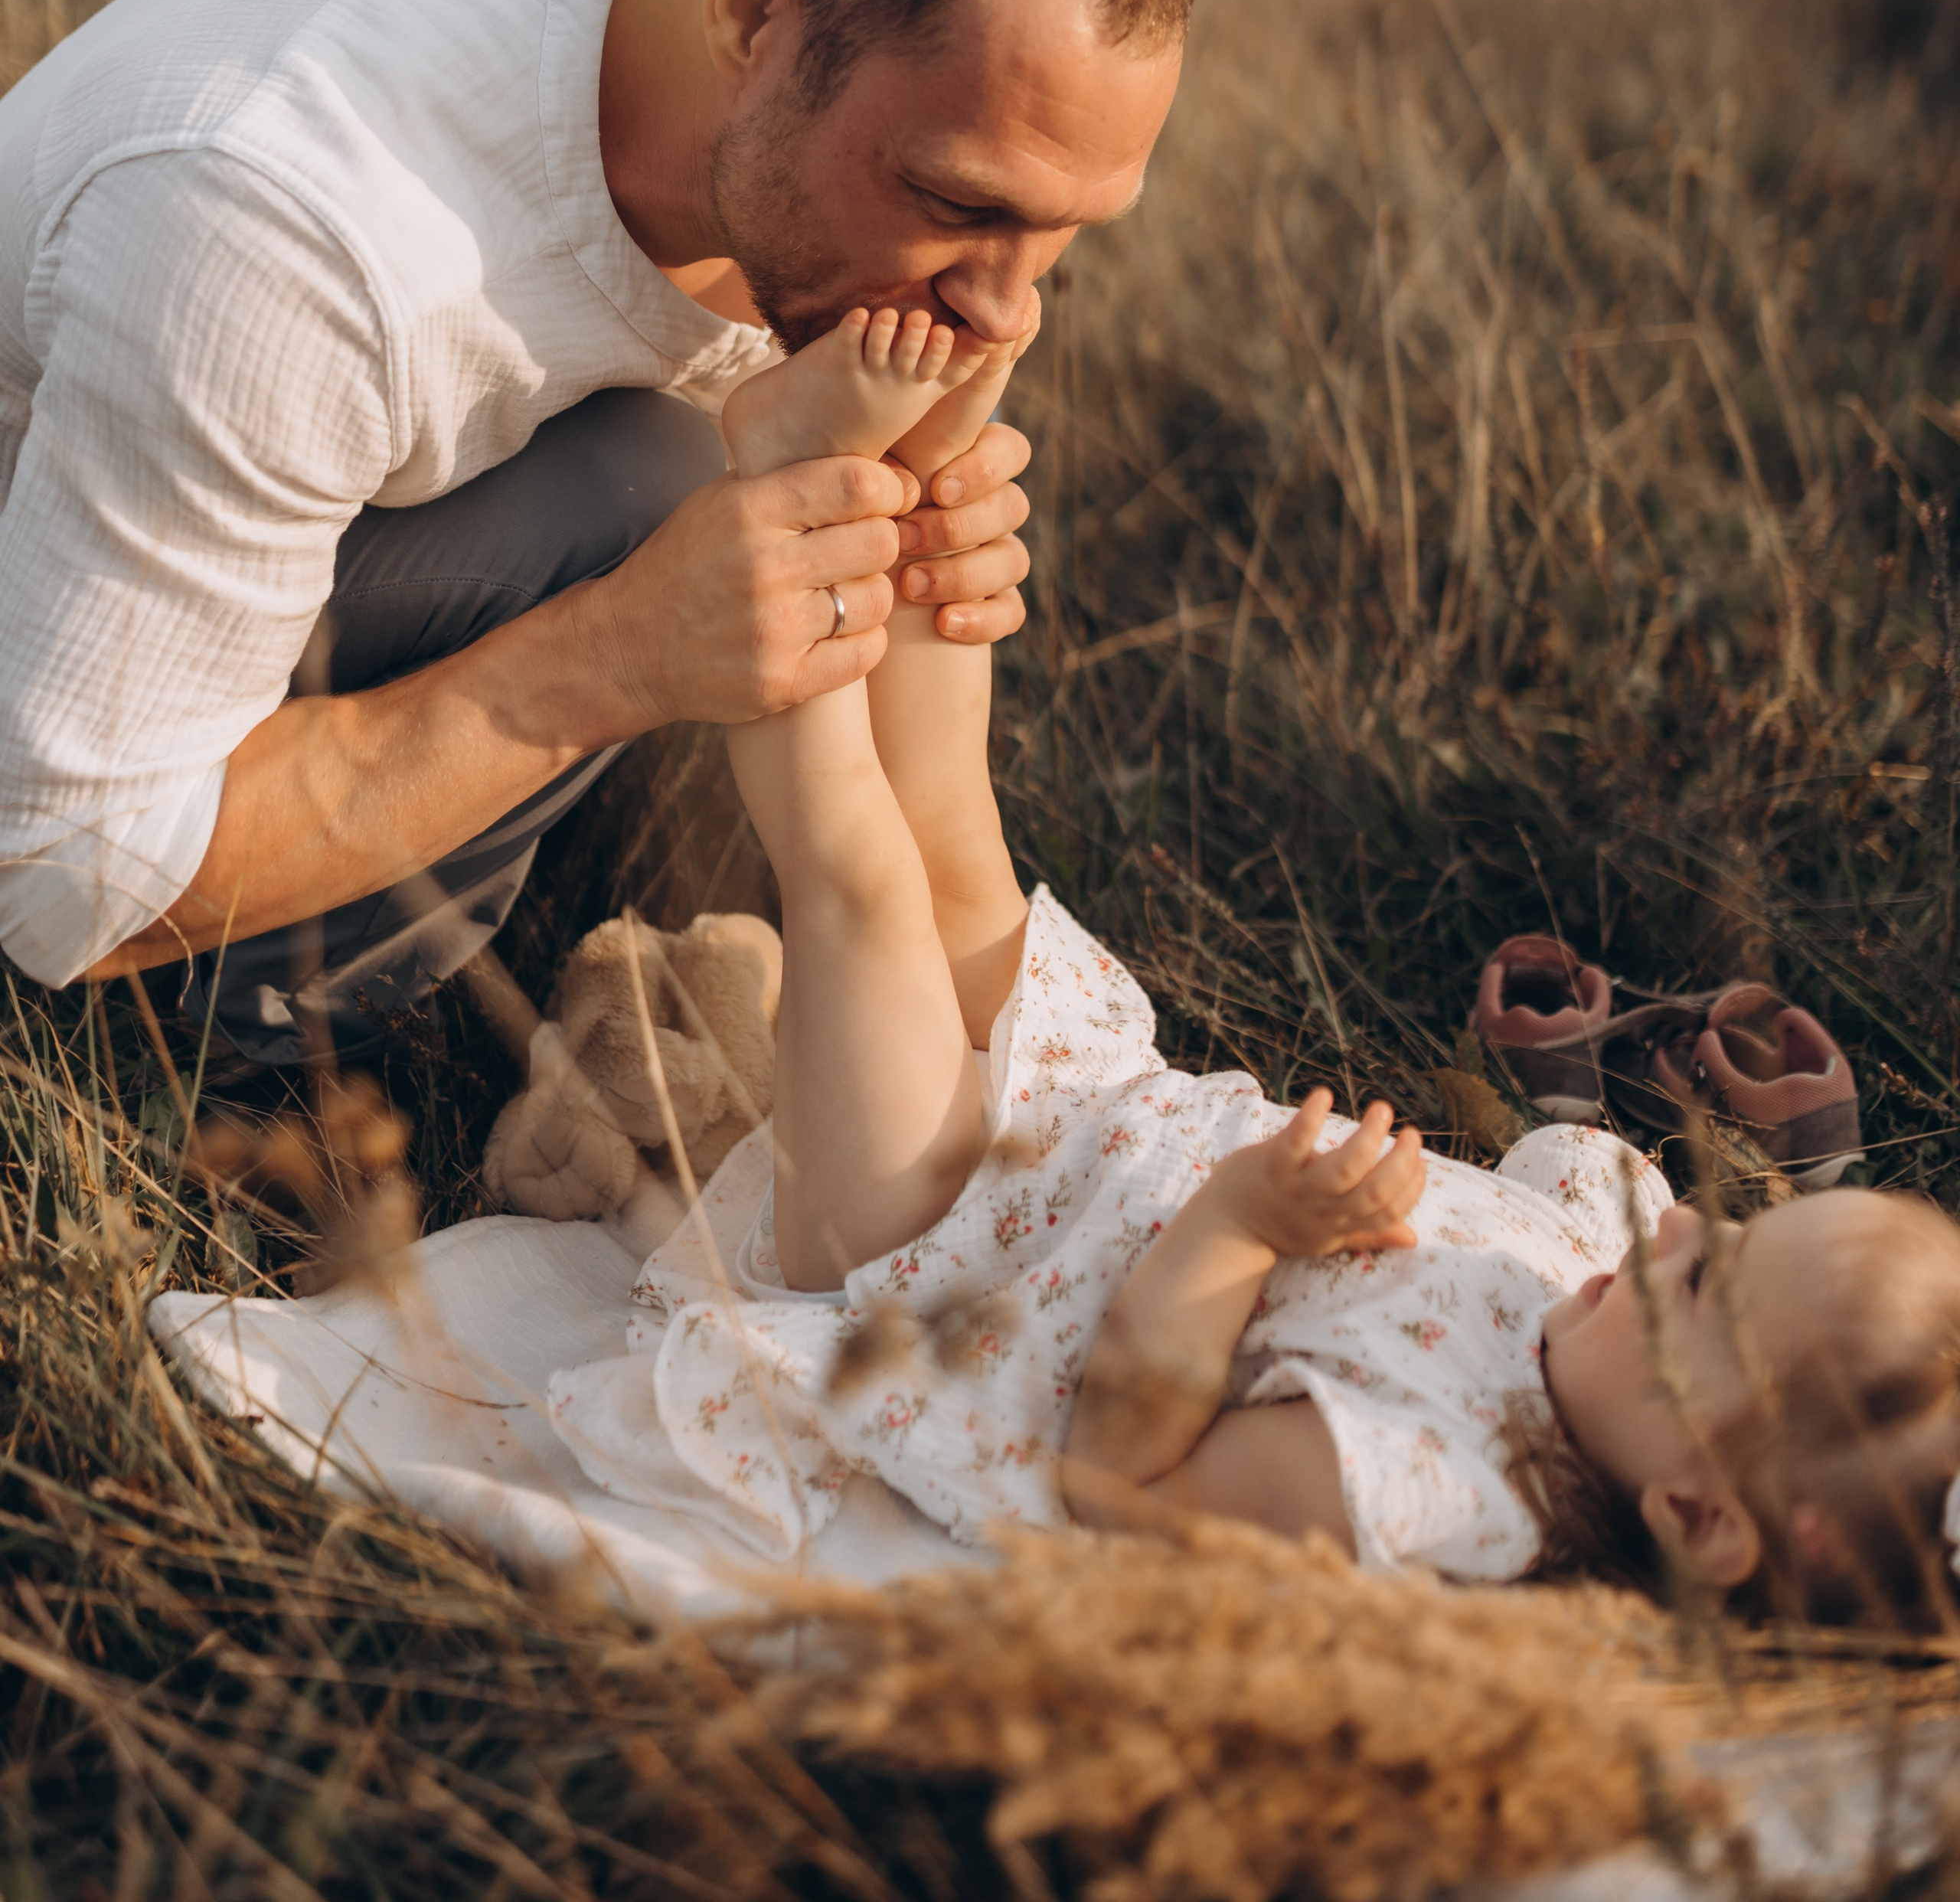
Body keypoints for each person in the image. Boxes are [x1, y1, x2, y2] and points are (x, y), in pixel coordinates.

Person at [550, 303, 1960, 1633]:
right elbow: (1593, 1190)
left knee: (858, 885)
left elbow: (1119, 1479)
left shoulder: (1435, 1493)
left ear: (1699, 1515)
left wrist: (1238, 1227)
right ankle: (916, 482)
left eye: (1711, 1288)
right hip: (1097, 1103)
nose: (1684, 1235)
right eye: (1736, 1230)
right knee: (952, 826)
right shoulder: (1605, 1271)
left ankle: (786, 491)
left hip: (942, 1262)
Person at [0, 0, 1191, 1067]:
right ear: (754, 8)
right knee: (651, 490)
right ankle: (252, 1063)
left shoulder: (764, 74)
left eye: (1066, 231)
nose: (1009, 311)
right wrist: (620, 650)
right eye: (961, 203)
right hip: (57, 702)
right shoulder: (292, 234)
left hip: (289, 556)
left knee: (721, 508)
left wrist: (902, 524)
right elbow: (66, 872)